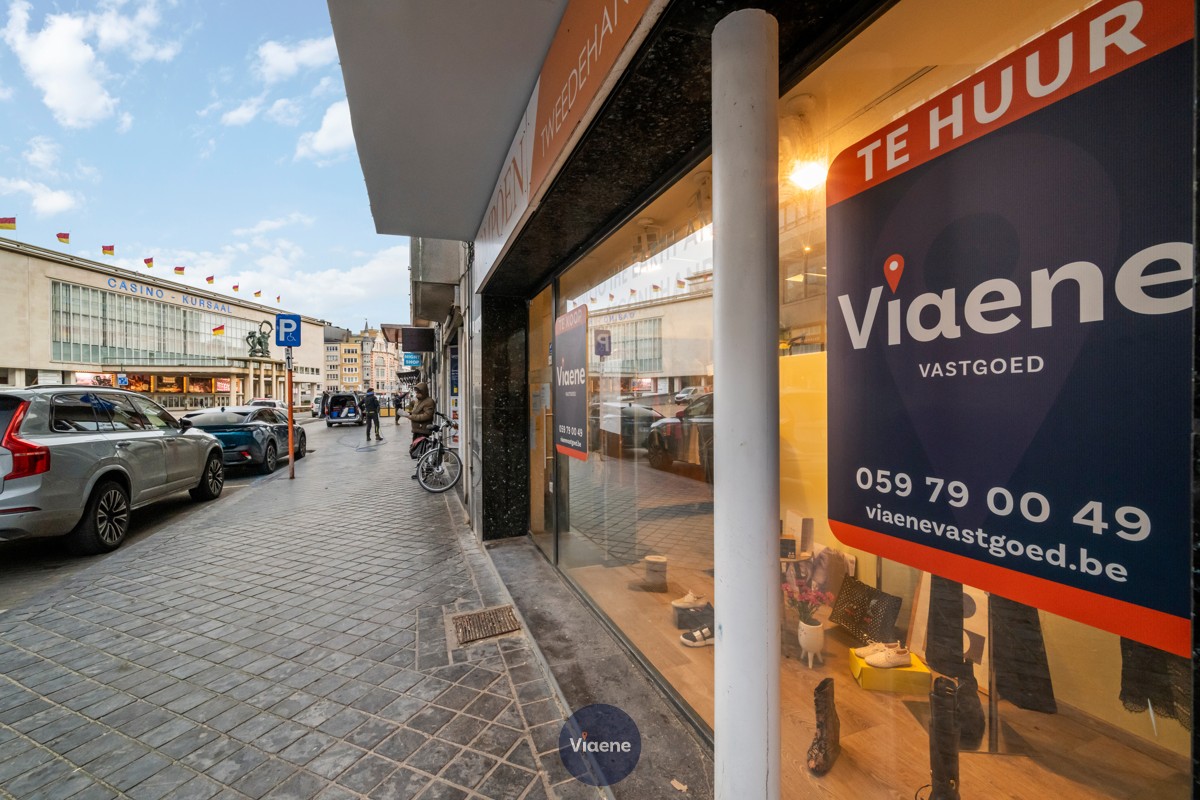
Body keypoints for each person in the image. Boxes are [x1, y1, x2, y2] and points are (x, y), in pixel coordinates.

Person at [400, 381, 435, 478]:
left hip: (423, 430)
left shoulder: (429, 401)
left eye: (418, 392)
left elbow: (427, 415)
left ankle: (424, 471)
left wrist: (412, 417)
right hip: (417, 430)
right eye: (416, 392)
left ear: (423, 391)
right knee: (419, 452)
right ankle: (420, 471)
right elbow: (416, 412)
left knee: (422, 451)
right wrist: (409, 414)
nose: (417, 394)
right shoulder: (418, 401)